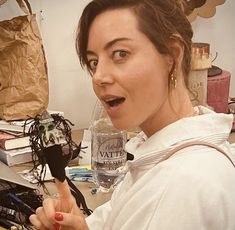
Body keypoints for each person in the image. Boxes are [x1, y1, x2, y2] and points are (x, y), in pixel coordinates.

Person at [29, 0, 235, 229]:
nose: (98, 77)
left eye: (120, 54)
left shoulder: (176, 188)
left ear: (173, 56)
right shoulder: (163, 153)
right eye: (94, 62)